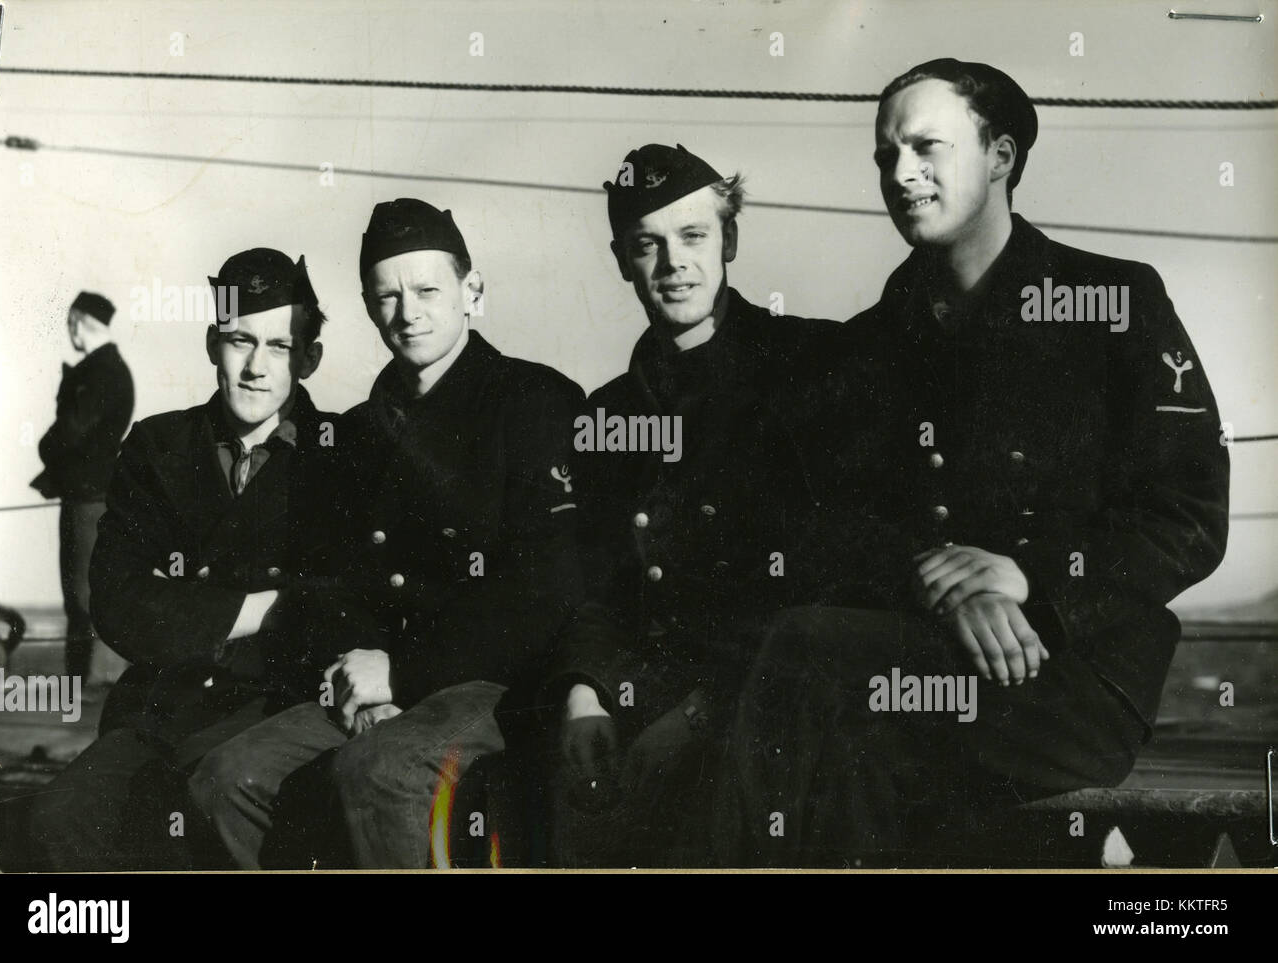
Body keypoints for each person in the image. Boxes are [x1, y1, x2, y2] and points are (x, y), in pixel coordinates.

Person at [708, 58, 1230, 866]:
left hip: (1069, 679)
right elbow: (816, 524)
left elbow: (1188, 515)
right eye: (886, 155)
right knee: (851, 758)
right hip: (911, 659)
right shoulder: (868, 346)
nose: (900, 174)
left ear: (1001, 157)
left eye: (925, 147)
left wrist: (1031, 582)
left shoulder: (1114, 303)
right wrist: (930, 577)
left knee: (808, 666)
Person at [189, 199, 584, 869]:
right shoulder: (361, 432)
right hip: (373, 679)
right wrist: (359, 668)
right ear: (370, 308)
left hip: (496, 681)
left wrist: (403, 671)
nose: (409, 312)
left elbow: (543, 589)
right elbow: (331, 576)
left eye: (428, 289)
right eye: (387, 296)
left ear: (473, 290)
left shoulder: (533, 401)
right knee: (224, 778)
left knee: (376, 773)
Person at [535, 144, 854, 866]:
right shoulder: (610, 412)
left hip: (766, 706)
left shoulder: (808, 369)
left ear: (730, 239)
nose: (673, 263)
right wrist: (585, 692)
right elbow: (596, 584)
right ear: (621, 259)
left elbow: (825, 576)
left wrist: (705, 711)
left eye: (693, 236)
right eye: (647, 245)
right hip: (639, 700)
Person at [0, 249, 338, 871]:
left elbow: (346, 603)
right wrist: (270, 605)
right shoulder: (159, 446)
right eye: (239, 340)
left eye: (279, 347)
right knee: (53, 826)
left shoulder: (344, 455)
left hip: (279, 715)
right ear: (212, 343)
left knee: (196, 821)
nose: (257, 367)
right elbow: (120, 607)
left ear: (310, 357)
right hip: (162, 709)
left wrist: (188, 608)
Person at [31, 291, 134, 682]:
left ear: (77, 322)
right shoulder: (112, 369)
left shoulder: (99, 372)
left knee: (81, 595)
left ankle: (85, 684)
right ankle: (91, 682)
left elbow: (71, 432)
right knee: (90, 592)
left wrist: (45, 446)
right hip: (96, 494)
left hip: (87, 499)